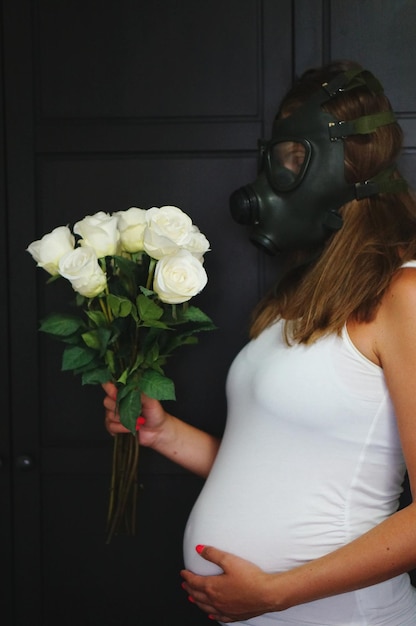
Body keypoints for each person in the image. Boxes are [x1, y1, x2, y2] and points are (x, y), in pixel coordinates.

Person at [103, 60, 416, 625]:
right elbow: (273, 469)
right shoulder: (299, 298)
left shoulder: (405, 293)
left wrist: (277, 593)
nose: (273, 176)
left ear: (349, 162)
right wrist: (165, 434)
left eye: (293, 159)